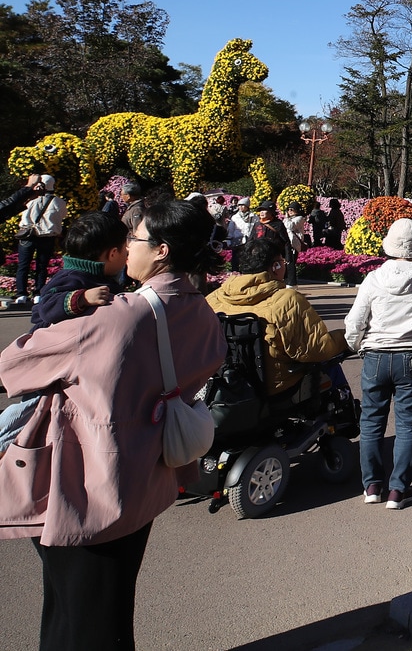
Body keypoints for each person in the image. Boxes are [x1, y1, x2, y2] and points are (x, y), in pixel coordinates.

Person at [0, 199, 225, 651]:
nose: (125, 246)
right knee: (112, 606)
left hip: (85, 487)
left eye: (133, 238)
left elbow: (15, 363)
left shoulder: (114, 319)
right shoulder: (201, 311)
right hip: (146, 479)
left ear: (160, 250)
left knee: (75, 617)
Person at [0, 212, 129, 454]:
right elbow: (46, 308)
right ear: (112, 253)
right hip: (47, 362)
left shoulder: (99, 276)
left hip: (68, 363)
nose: (127, 255)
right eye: (125, 249)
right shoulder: (74, 278)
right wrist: (82, 298)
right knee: (28, 411)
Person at [344, 219, 412, 510]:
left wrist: (354, 345)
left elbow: (356, 321)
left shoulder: (374, 278)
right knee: (407, 422)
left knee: (372, 422)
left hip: (376, 355)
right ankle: (398, 490)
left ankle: (372, 486)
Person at [206, 236, 350, 395]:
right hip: (276, 387)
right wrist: (345, 337)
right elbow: (316, 349)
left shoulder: (214, 298)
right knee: (330, 365)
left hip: (228, 385)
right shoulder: (287, 300)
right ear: (275, 266)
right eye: (283, 262)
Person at [14, 175, 67, 307]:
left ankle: (21, 294)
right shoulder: (59, 202)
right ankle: (38, 294)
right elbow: (63, 216)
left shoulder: (29, 199)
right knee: (42, 266)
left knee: (23, 265)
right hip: (46, 236)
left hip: (28, 235)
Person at [227, 197, 255, 270]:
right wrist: (229, 241)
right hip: (237, 241)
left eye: (243, 205)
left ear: (247, 206)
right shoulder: (235, 217)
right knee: (236, 260)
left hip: (249, 241)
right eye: (239, 205)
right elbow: (230, 230)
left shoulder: (253, 216)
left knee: (247, 260)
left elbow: (257, 228)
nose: (240, 207)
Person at [282, 203, 306, 288]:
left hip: (294, 244)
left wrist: (286, 218)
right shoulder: (288, 219)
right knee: (285, 262)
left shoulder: (300, 218)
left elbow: (290, 226)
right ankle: (286, 281)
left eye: (292, 209)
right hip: (287, 243)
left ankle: (292, 283)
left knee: (291, 262)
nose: (290, 211)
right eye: (288, 209)